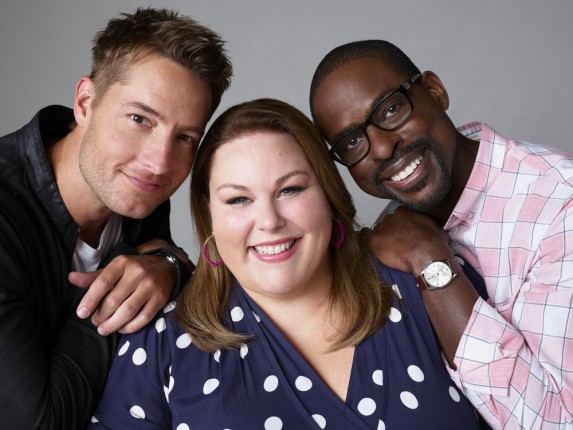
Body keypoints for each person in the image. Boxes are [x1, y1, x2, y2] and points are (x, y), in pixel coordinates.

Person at [88, 98, 487, 429]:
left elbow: (518, 406)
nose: (269, 221)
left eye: (290, 189)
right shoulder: (161, 343)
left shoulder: (425, 282)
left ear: (327, 194)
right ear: (210, 215)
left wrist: (434, 264)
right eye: (238, 199)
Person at [309, 40, 573, 429]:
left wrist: (430, 261)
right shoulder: (388, 234)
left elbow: (556, 422)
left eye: (391, 109)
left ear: (435, 91)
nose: (381, 148)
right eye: (352, 142)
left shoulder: (559, 206)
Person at [0, 7, 232, 429]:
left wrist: (167, 265)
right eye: (139, 119)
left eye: (185, 137)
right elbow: (38, 422)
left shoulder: (137, 194)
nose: (159, 163)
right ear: (85, 103)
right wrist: (127, 274)